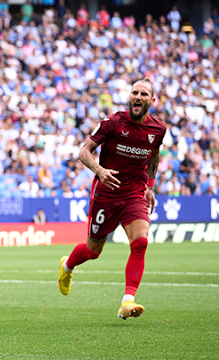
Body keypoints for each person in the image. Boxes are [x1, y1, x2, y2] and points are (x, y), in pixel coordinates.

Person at [57, 78, 166, 320]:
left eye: (144, 94)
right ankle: (67, 266)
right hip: (106, 194)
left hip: (134, 193)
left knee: (140, 243)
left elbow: (154, 156)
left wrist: (150, 186)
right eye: (135, 92)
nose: (138, 97)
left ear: (152, 100)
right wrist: (100, 171)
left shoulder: (158, 129)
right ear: (130, 97)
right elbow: (84, 152)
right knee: (93, 250)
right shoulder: (113, 122)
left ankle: (127, 302)